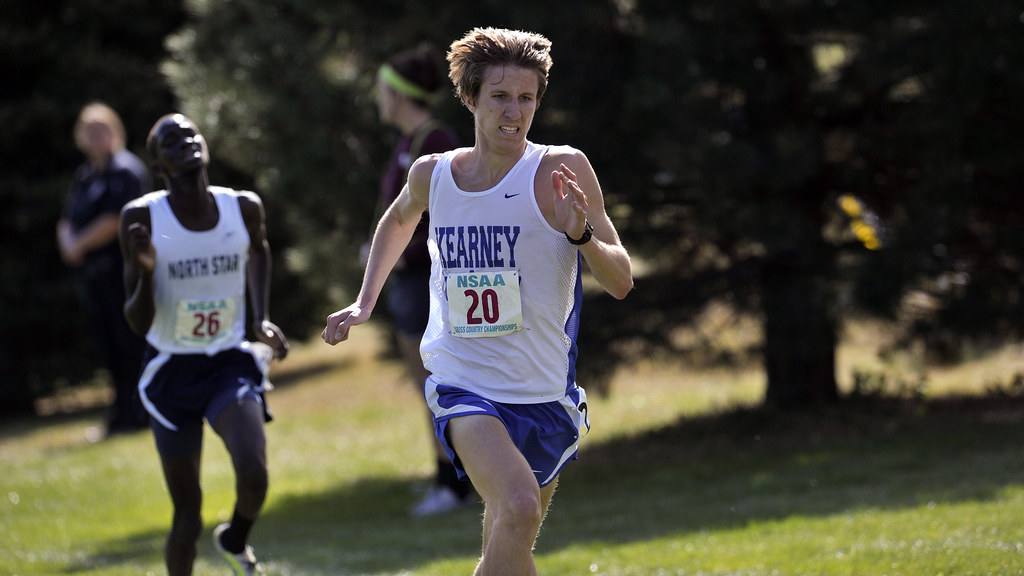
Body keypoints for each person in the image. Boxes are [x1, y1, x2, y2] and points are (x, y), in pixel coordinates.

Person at [323, 27, 632, 575]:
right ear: (469, 98)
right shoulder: (435, 174)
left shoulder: (560, 170)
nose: (514, 112)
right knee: (516, 506)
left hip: (544, 394)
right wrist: (364, 302)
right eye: (499, 96)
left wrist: (582, 236)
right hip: (463, 382)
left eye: (527, 98)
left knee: (508, 543)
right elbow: (397, 220)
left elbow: (622, 280)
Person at [120, 113, 289, 576]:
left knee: (254, 473)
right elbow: (136, 321)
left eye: (191, 135)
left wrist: (261, 319)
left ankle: (235, 539)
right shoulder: (141, 218)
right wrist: (148, 272)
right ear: (158, 166)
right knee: (187, 512)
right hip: (171, 371)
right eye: (171, 143)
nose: (186, 144)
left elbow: (258, 249)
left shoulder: (242, 207)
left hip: (227, 363)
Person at [371, 42, 474, 516]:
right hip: (411, 284)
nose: (377, 97)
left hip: (429, 282)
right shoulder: (407, 143)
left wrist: (397, 252)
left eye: (382, 89)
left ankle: (453, 486)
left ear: (398, 94)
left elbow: (446, 219)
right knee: (430, 390)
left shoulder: (434, 140)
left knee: (439, 388)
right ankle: (449, 477)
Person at [57, 101, 150, 436]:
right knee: (108, 346)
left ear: (115, 131)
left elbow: (115, 220)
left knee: (130, 345)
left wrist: (78, 245)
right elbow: (67, 218)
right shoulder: (85, 175)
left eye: (102, 129)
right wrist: (68, 243)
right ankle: (121, 416)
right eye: (89, 131)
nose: (95, 137)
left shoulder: (126, 171)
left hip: (124, 276)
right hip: (94, 278)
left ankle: (142, 414)